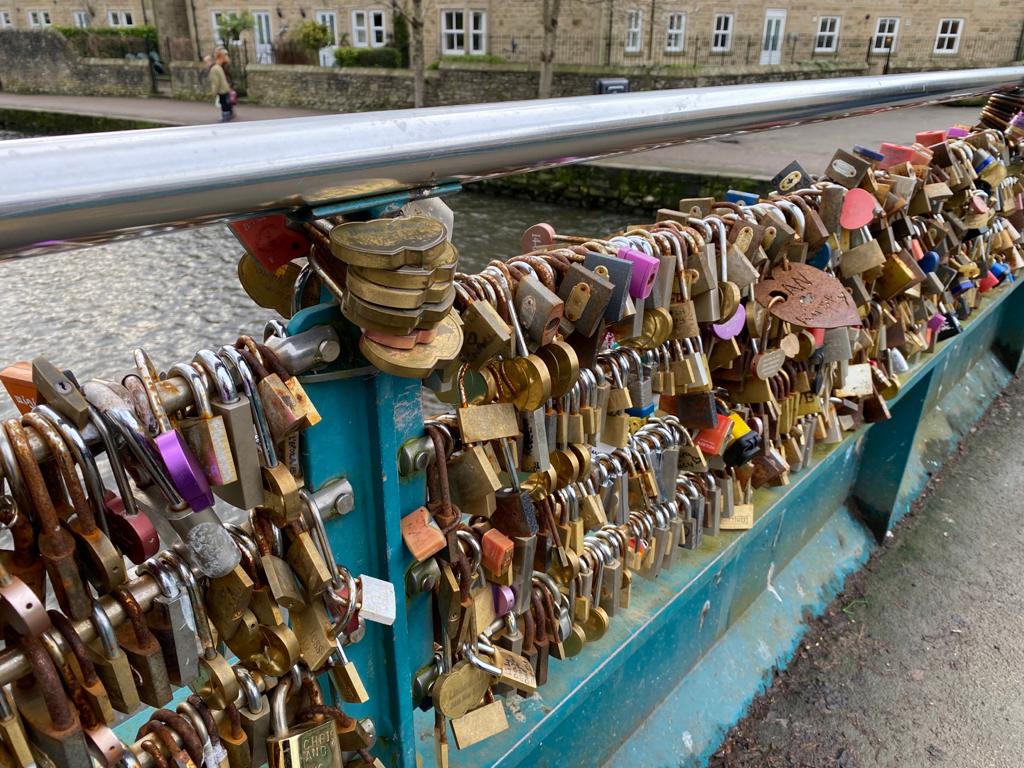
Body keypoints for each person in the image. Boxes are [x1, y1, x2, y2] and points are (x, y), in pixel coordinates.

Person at [208, 48, 234, 123]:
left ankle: (225, 117)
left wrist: (214, 92)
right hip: (225, 89)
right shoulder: (218, 67)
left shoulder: (215, 68)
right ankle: (227, 115)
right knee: (226, 103)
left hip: (222, 90)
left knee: (224, 104)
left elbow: (216, 82)